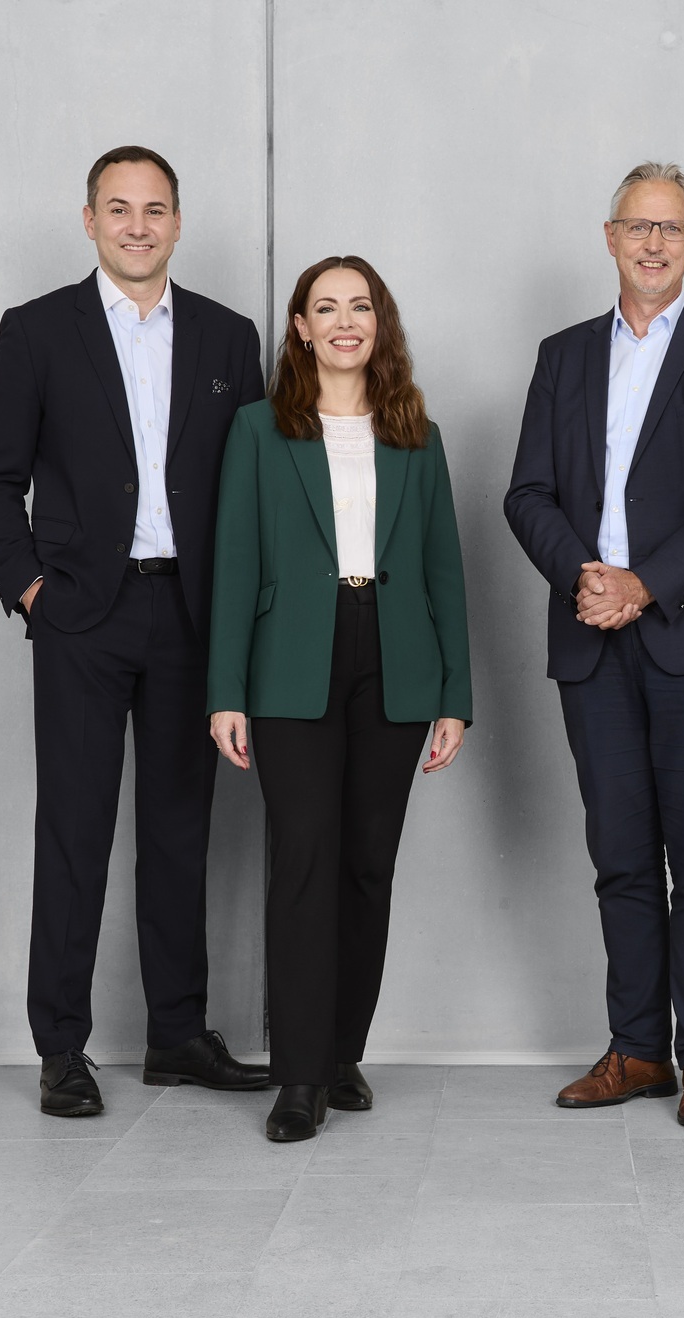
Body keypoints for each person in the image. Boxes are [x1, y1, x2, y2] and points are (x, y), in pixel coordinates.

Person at [0, 145, 271, 1116]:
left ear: (178, 221)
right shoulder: (40, 330)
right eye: (118, 208)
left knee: (180, 835)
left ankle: (177, 1035)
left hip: (190, 616)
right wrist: (30, 592)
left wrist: (247, 621)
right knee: (74, 830)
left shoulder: (228, 338)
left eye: (155, 208)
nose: (137, 225)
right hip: (80, 618)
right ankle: (61, 1045)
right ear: (90, 220)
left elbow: (257, 485)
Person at [505, 162, 684, 1129]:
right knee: (619, 855)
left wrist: (644, 583)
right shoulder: (563, 355)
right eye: (638, 227)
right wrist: (585, 573)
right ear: (611, 237)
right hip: (591, 639)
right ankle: (635, 1050)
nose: (655, 244)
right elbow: (525, 492)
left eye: (673, 229)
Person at [208, 256, 472, 1143]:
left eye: (361, 306)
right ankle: (299, 1073)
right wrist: (226, 690)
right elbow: (236, 562)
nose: (345, 320)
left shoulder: (417, 435)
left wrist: (455, 696)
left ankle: (342, 1049)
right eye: (327, 307)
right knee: (305, 861)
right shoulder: (257, 428)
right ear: (301, 328)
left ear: (379, 324)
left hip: (395, 660)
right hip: (290, 662)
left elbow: (444, 571)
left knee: (367, 863)